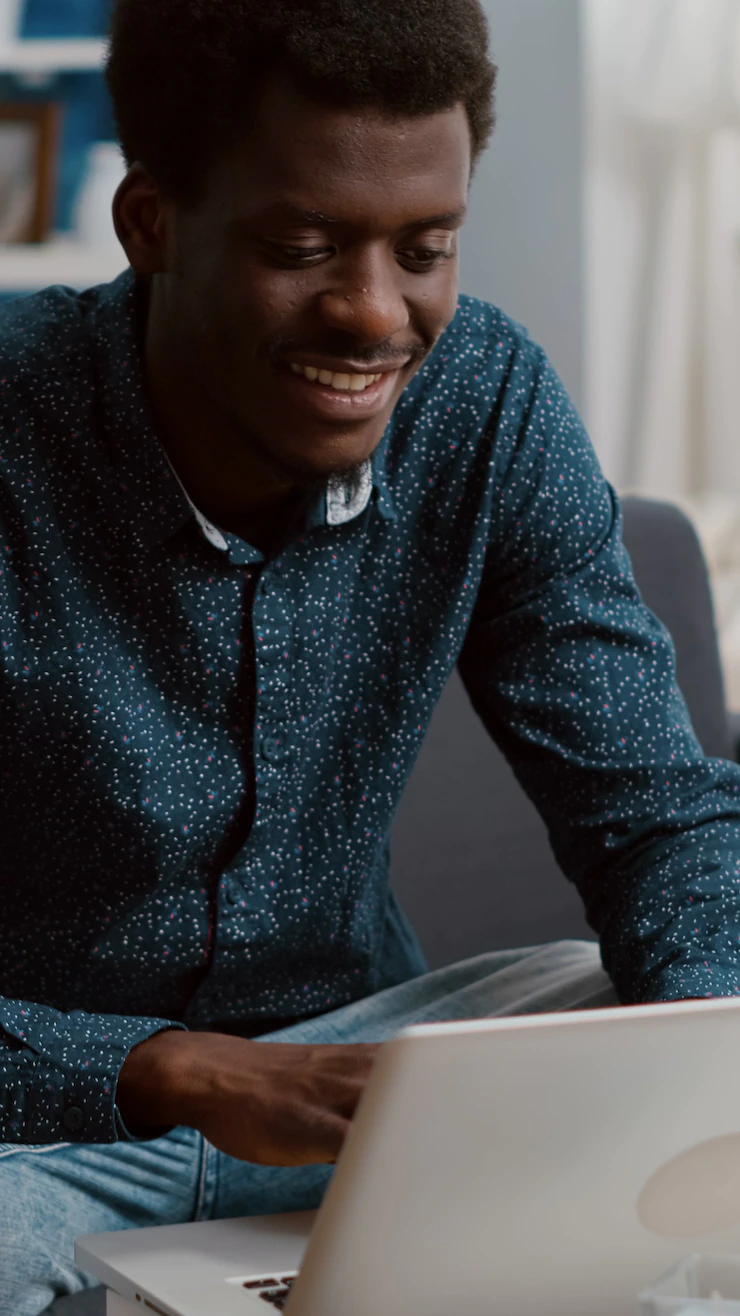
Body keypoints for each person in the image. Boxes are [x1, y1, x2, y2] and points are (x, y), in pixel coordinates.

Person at [2, 0, 740, 1310]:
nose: (373, 314)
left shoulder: (486, 403)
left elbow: (661, 817)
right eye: (301, 247)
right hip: (47, 1128)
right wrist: (168, 1070)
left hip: (378, 1086)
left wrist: (702, 1069)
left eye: (426, 247)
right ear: (151, 222)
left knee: (628, 998)